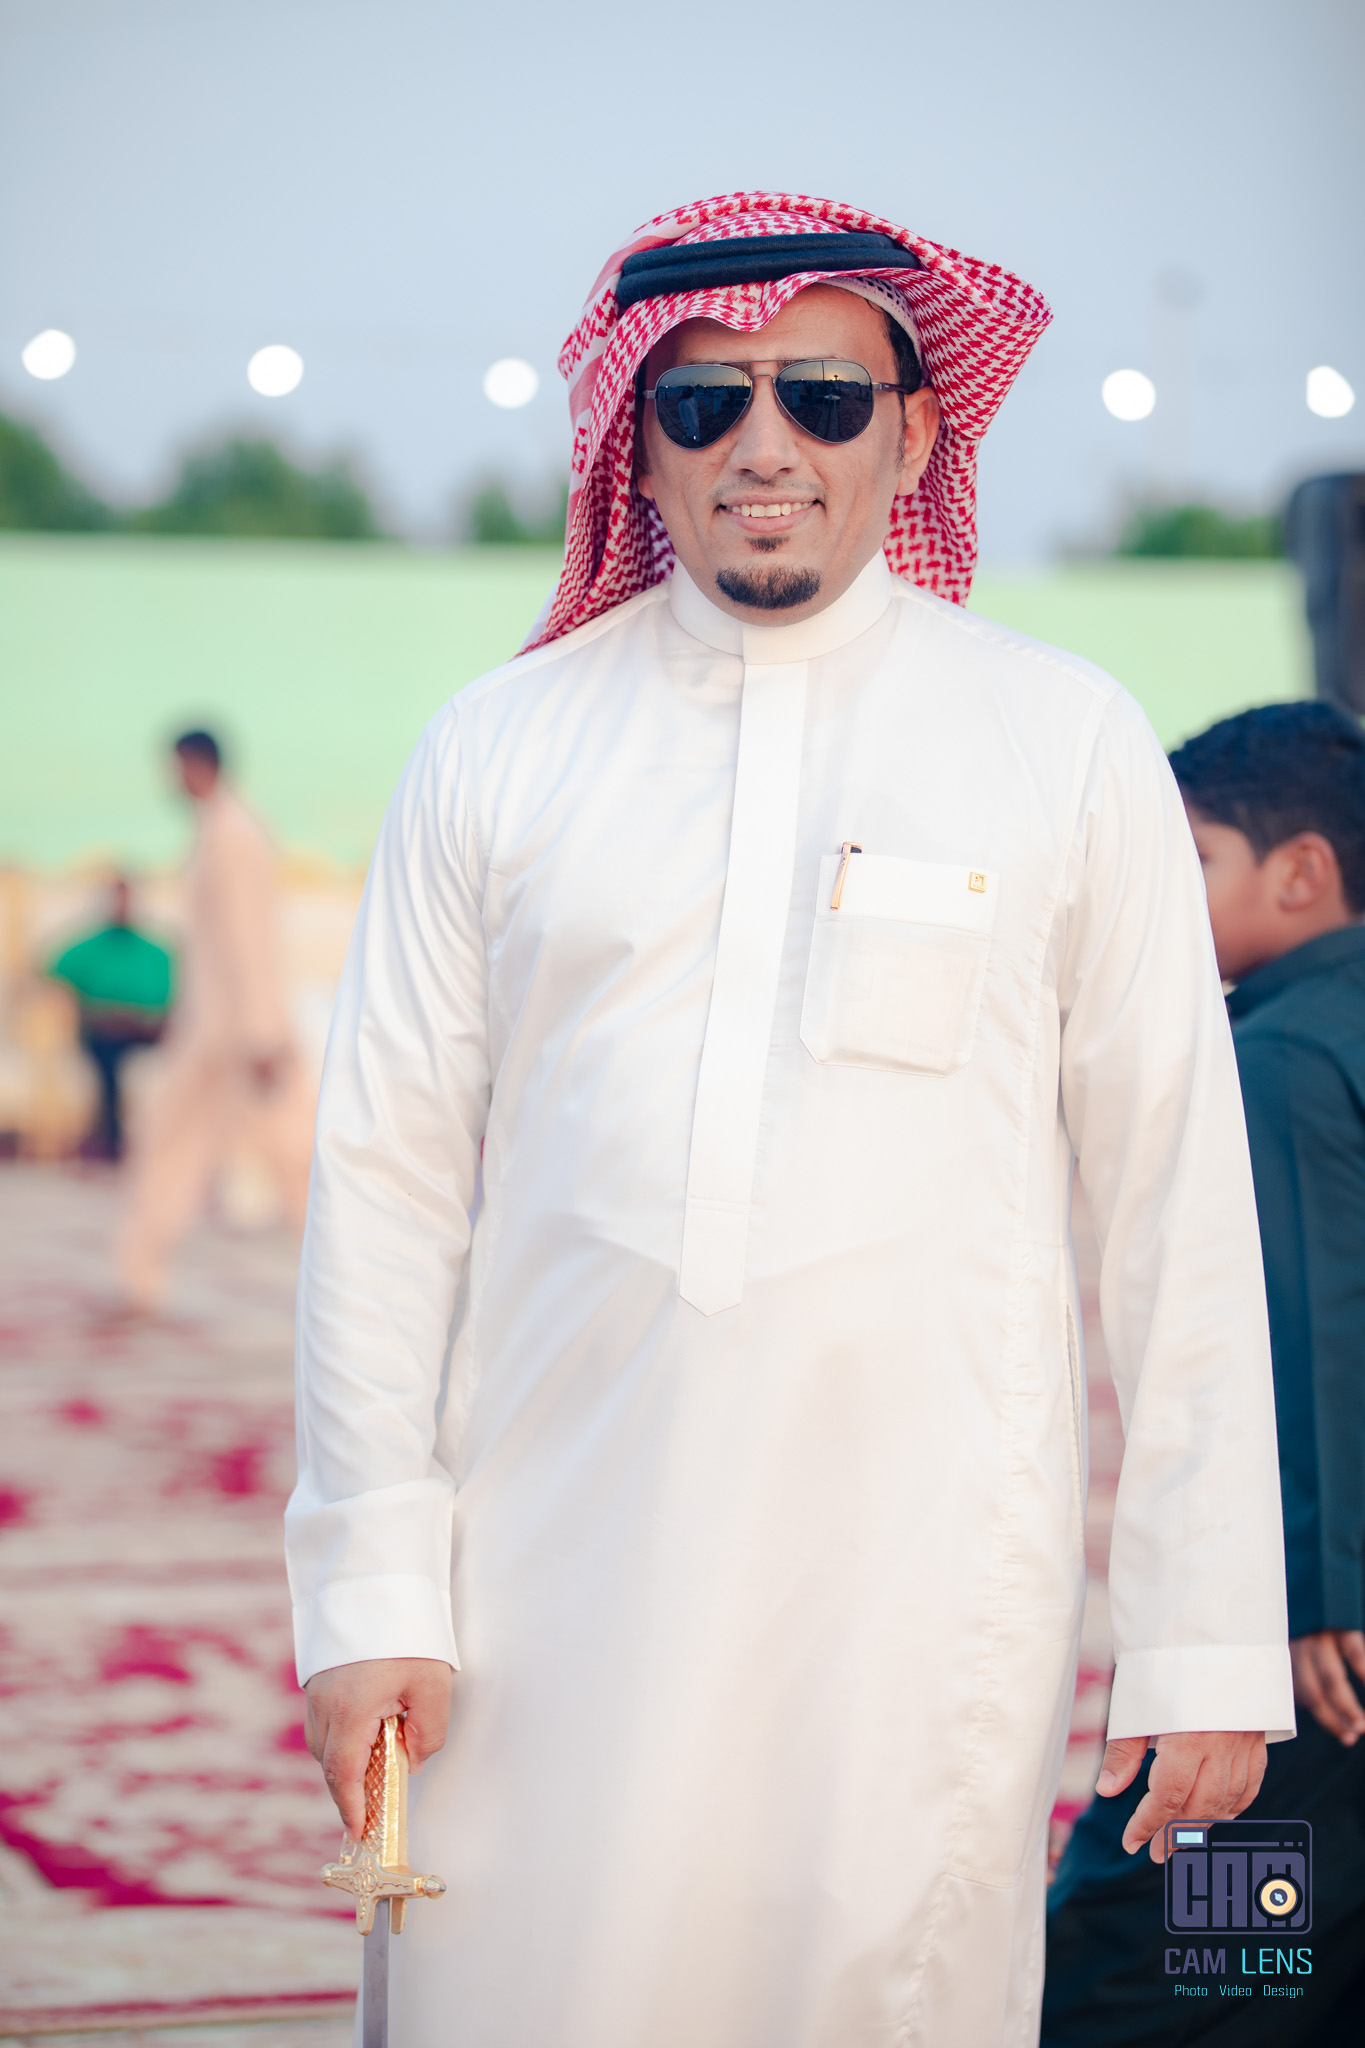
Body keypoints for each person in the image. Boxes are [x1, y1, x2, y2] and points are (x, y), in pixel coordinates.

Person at [288, 194, 1292, 2048]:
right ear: (635, 443)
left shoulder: (1060, 741)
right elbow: (386, 1189)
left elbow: (1175, 1201)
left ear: (914, 433)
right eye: (707, 403)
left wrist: (1203, 1637)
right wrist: (370, 1588)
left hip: (917, 1589)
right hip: (532, 1595)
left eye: (824, 398)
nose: (766, 445)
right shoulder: (498, 749)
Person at [1042, 702, 1365, 2045]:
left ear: (1299, 873)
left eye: (1194, 860)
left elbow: (1305, 1326)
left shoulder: (1279, 1056)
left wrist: (1307, 1595)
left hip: (1314, 1645)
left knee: (1159, 1957)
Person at [114, 728, 314, 1309]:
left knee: (295, 1155)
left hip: (242, 1033)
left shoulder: (234, 834)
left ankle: (341, 1282)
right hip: (215, 1031)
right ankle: (139, 1272)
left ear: (197, 765)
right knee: (173, 1146)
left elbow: (248, 936)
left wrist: (262, 1034)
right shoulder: (218, 830)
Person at [48, 876, 173, 1158]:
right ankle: (111, 1145)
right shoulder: (84, 948)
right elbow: (48, 982)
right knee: (108, 1061)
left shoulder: (157, 950)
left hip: (153, 1031)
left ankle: (174, 1143)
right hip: (106, 1033)